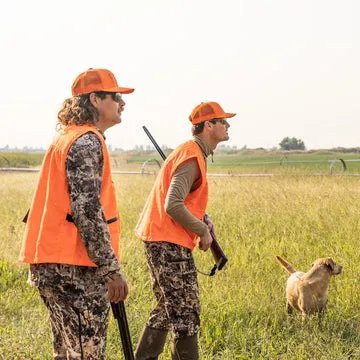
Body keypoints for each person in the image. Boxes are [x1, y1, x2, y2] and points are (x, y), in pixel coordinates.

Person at [19, 68, 134, 359]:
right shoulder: (86, 142)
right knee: (87, 354)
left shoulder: (67, 139)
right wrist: (110, 269)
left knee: (68, 353)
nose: (123, 104)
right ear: (95, 99)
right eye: (116, 97)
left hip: (53, 265)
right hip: (74, 270)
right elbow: (87, 212)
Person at [134, 101, 236, 360]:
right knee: (187, 312)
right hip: (168, 241)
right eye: (222, 121)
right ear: (208, 126)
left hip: (160, 238)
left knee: (166, 308)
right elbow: (173, 204)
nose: (228, 125)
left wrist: (203, 217)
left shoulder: (193, 153)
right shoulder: (192, 156)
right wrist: (202, 230)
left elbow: (185, 199)